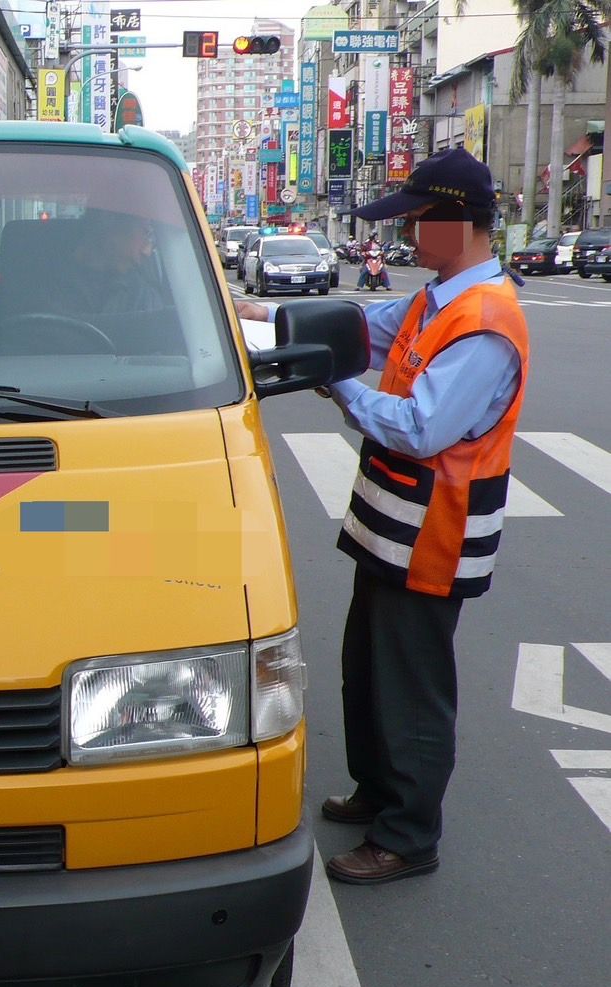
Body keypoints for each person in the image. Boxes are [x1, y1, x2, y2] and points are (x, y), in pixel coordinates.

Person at [236, 147, 530, 886]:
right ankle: (377, 788)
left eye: (416, 222)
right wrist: (258, 315)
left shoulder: (486, 321)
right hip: (390, 522)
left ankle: (407, 832)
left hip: (435, 532)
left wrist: (338, 388)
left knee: (411, 683)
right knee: (366, 664)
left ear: (455, 224)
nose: (405, 238)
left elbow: (422, 427)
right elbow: (362, 332)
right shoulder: (434, 298)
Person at [50, 209, 164, 313]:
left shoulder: (143, 298)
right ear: (108, 218)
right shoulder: (46, 288)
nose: (147, 252)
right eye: (146, 232)